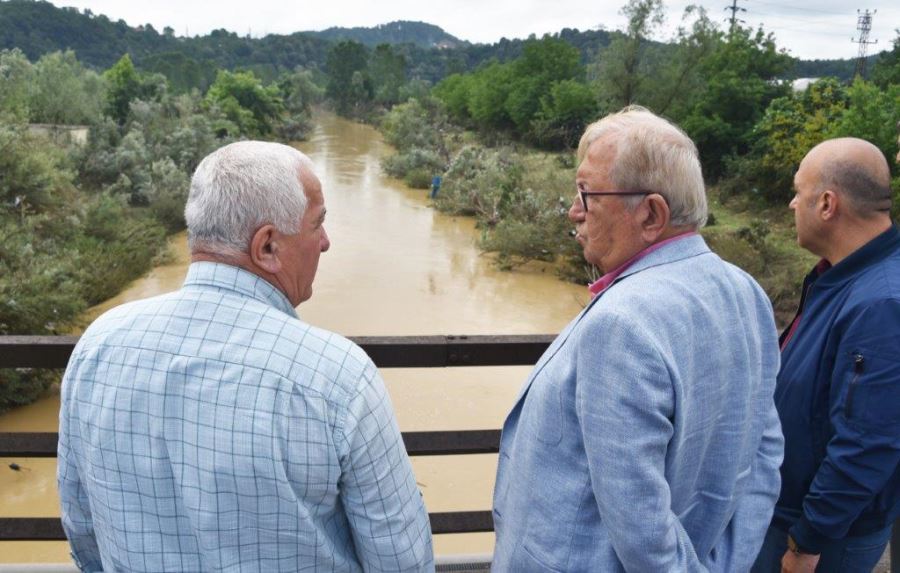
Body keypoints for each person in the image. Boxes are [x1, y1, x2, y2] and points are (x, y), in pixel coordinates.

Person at [58, 141, 434, 572]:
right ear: (267, 247)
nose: (326, 243)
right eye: (318, 225)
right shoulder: (337, 377)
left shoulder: (99, 345)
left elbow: (83, 526)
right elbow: (401, 559)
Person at [491, 106, 783, 572]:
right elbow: (764, 457)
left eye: (587, 195)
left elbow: (644, 531)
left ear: (650, 214)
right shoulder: (745, 290)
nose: (573, 212)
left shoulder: (623, 323)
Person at [751, 138, 900, 573]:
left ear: (827, 204)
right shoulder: (843, 278)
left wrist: (807, 541)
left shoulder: (882, 303)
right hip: (797, 517)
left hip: (819, 537)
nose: (792, 203)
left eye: (799, 191)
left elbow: (868, 441)